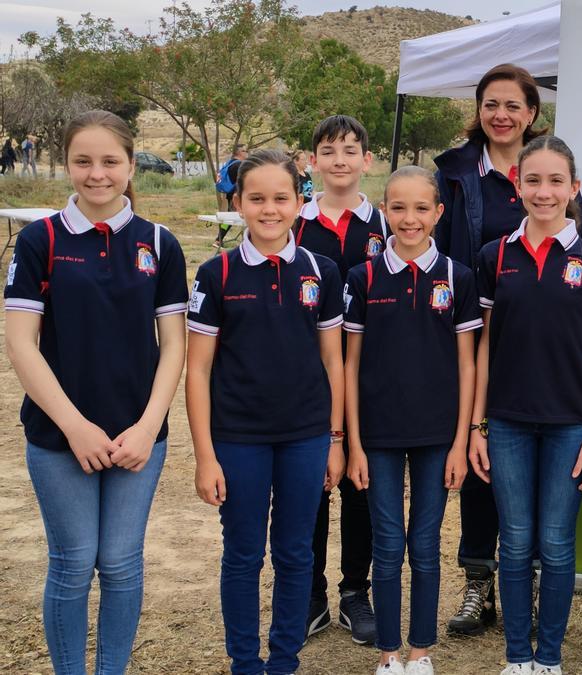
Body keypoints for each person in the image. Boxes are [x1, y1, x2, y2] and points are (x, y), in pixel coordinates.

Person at [4, 110, 187, 674]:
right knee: (73, 562)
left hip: (138, 437)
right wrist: (75, 427)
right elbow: (21, 345)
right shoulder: (40, 240)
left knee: (121, 563)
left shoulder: (160, 243)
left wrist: (148, 425)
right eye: (82, 161)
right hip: (60, 438)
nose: (97, 173)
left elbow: (174, 346)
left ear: (131, 165)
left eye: (110, 161)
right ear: (66, 164)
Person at [432, 63, 582, 637]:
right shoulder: (452, 172)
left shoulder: (549, 171)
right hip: (472, 330)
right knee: (482, 467)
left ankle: (530, 593)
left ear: (532, 113)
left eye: (513, 105)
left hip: (540, 355)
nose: (501, 114)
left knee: (539, 503)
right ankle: (480, 580)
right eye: (490, 103)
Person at [187, 149, 346, 675]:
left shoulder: (321, 271)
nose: (270, 209)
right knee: (243, 554)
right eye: (256, 198)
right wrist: (205, 456)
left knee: (296, 552)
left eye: (281, 197)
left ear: (300, 202)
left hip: (305, 436)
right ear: (238, 203)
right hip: (238, 439)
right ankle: (244, 663)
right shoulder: (216, 273)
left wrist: (335, 438)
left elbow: (332, 358)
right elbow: (198, 370)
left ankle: (284, 660)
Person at [472, 135, 582, 675]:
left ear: (574, 189)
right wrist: (477, 424)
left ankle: (549, 658)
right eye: (533, 179)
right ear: (517, 185)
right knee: (514, 544)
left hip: (569, 426)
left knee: (555, 545)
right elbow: (484, 345)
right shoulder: (495, 255)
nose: (544, 191)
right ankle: (516, 658)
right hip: (507, 423)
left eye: (556, 181)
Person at [343, 166, 483, 675]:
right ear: (385, 211)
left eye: (422, 208)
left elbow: (468, 364)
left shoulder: (457, 277)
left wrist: (463, 440)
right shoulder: (362, 277)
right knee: (386, 544)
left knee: (424, 545)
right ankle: (388, 653)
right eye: (398, 208)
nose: (410, 218)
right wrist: (354, 444)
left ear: (438, 214)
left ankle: (420, 651)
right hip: (377, 435)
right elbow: (350, 364)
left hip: (437, 436)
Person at [295, 114, 389, 646]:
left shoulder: (386, 224)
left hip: (371, 377)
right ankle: (309, 594)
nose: (339, 161)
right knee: (310, 485)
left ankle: (357, 592)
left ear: (366, 161)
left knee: (361, 484)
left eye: (350, 150)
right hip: (308, 377)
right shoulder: (295, 223)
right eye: (328, 151)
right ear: (312, 162)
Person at [213, 145, 247, 248]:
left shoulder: (230, 163)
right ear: (239, 153)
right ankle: (218, 240)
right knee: (232, 219)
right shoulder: (238, 165)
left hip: (231, 195)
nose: (247, 153)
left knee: (230, 219)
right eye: (245, 151)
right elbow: (242, 182)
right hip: (236, 197)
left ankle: (219, 239)